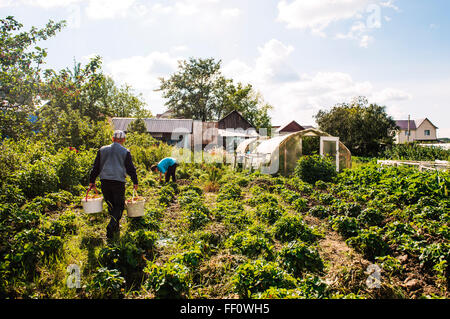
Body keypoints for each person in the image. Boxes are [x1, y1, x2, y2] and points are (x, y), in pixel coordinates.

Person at [89, 130, 138, 240]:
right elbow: (131, 168)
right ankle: (111, 226)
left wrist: (92, 181)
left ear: (112, 139)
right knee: (119, 205)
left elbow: (95, 167)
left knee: (110, 204)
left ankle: (115, 227)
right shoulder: (125, 151)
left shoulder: (102, 150)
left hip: (105, 180)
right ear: (124, 140)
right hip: (118, 181)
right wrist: (135, 181)